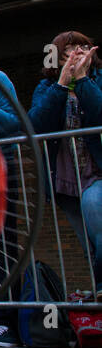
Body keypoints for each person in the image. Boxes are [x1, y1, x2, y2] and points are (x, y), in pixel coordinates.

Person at [29, 32, 101, 289]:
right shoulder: (46, 88)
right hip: (67, 181)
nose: (78, 53)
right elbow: (37, 125)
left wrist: (82, 80)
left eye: (83, 47)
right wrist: (62, 84)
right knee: (89, 244)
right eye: (69, 50)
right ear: (58, 59)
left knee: (97, 217)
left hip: (97, 174)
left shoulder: (98, 80)